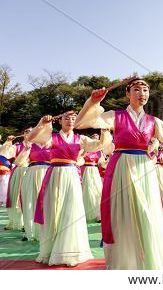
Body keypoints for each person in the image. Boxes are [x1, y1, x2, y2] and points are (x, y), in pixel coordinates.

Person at [75, 77, 163, 269]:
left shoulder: (153, 121)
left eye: (146, 90)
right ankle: (125, 265)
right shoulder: (115, 116)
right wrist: (93, 102)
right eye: (137, 90)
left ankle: (148, 262)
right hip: (121, 165)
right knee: (122, 214)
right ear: (127, 94)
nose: (142, 94)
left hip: (144, 167)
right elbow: (83, 122)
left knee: (148, 212)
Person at [29, 111, 111, 266]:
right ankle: (50, 249)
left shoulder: (81, 139)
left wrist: (105, 130)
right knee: (53, 210)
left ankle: (71, 252)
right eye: (67, 118)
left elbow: (100, 145)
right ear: (60, 121)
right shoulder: (51, 137)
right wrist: (42, 123)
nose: (71, 121)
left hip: (71, 174)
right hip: (54, 174)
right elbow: (32, 138)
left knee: (72, 210)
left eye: (74, 118)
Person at [17, 141, 51, 241]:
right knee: (30, 202)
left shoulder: (53, 142)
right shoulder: (30, 145)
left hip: (49, 173)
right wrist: (26, 150)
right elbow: (20, 162)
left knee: (47, 203)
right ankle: (30, 232)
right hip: (32, 173)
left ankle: (47, 232)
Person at [5, 128, 32, 231]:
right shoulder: (17, 146)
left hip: (32, 172)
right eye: (26, 132)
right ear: (23, 134)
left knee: (29, 197)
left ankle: (29, 223)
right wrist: (8, 142)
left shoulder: (38, 146)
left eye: (31, 131)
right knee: (16, 197)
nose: (29, 133)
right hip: (19, 172)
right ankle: (16, 222)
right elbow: (4, 153)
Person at [80, 133, 105, 222]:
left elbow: (101, 163)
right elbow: (79, 159)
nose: (96, 140)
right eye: (94, 138)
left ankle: (98, 215)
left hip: (94, 171)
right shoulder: (84, 148)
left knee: (97, 190)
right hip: (85, 170)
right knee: (86, 190)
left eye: (97, 139)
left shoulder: (99, 151)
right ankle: (83, 213)